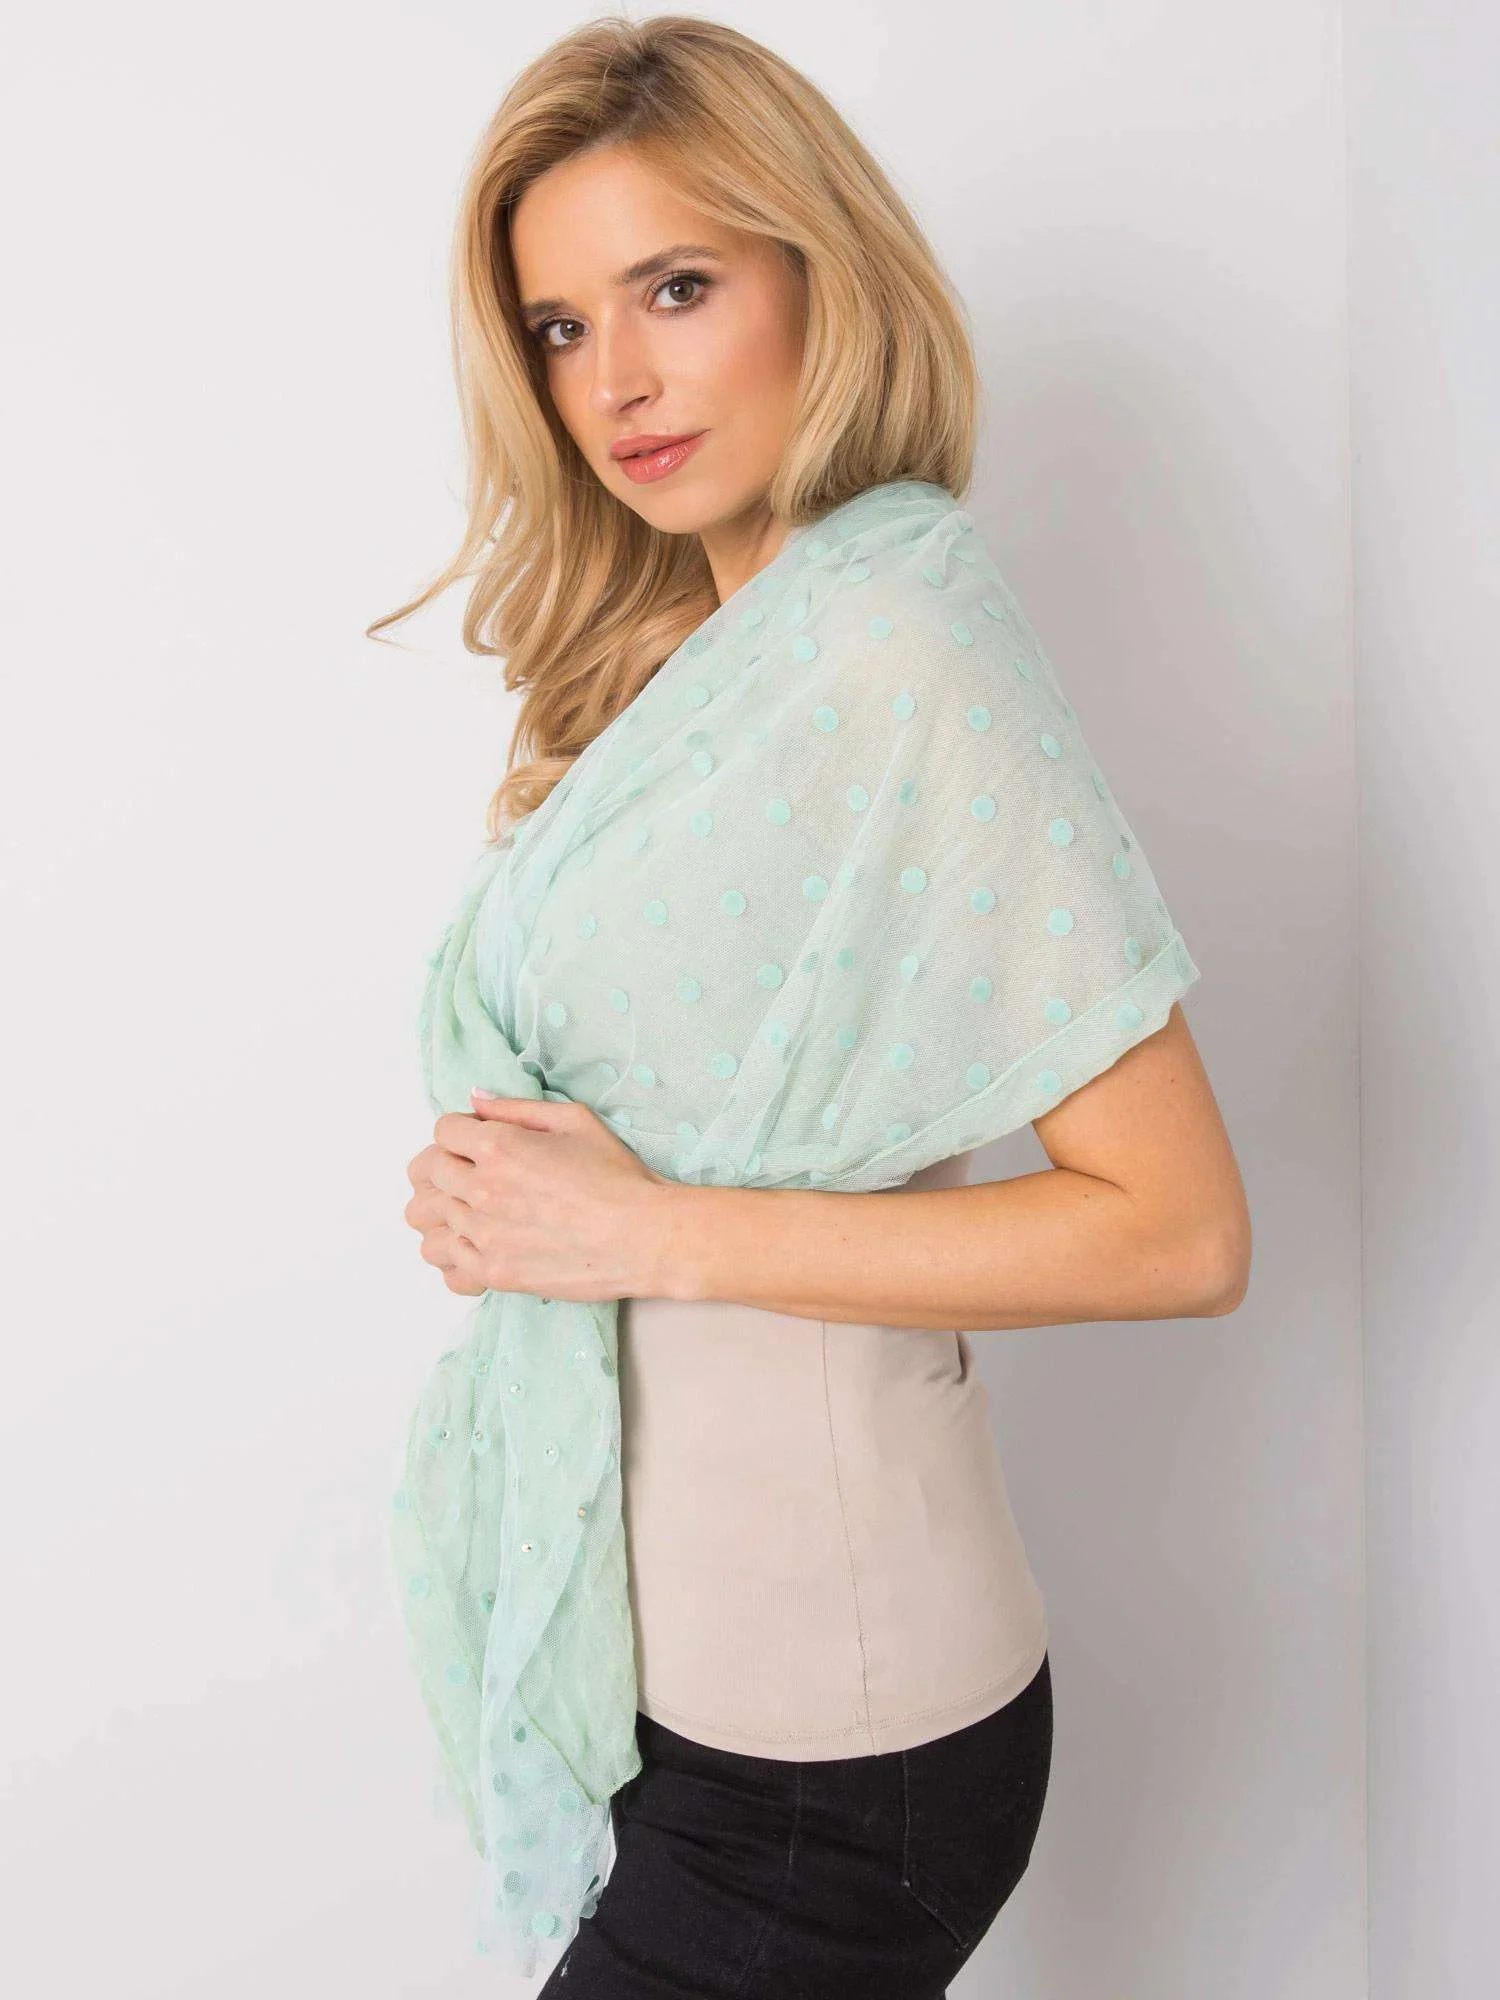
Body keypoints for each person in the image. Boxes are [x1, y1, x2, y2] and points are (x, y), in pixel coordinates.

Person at [373, 15, 1251, 1995]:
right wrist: (518, 1208)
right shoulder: (704, 651)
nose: (618, 378)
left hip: (830, 1747)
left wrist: (637, 1232)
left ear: (816, 275)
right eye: (563, 325)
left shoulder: (902, 639)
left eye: (676, 288)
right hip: (678, 1680)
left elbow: (1181, 1228)